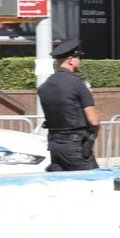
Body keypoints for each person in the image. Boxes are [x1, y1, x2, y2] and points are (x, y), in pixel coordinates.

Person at [37, 39, 100, 171]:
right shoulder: (77, 84)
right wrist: (92, 138)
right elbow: (94, 121)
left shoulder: (44, 87)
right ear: (71, 59)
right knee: (92, 183)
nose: (80, 61)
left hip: (55, 147)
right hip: (75, 147)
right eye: (79, 57)